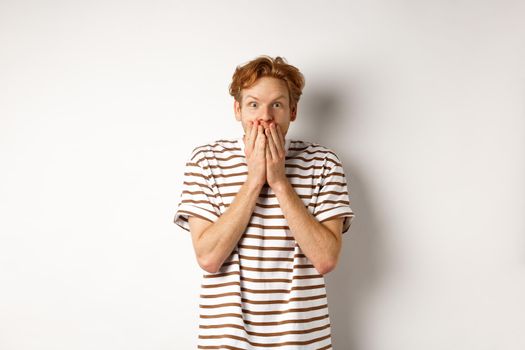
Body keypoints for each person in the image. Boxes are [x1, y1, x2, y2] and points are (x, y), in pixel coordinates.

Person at [173, 55, 355, 349]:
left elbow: (326, 259)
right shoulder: (206, 161)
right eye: (254, 104)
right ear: (237, 109)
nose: (265, 116)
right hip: (226, 342)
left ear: (293, 111)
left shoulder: (324, 163)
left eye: (277, 105)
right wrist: (255, 179)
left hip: (304, 341)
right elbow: (208, 258)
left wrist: (280, 181)